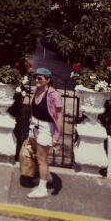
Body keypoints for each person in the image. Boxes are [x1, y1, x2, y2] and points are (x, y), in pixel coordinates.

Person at [27, 67, 64, 199]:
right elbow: (33, 109)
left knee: (42, 159)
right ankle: (46, 177)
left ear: (47, 80)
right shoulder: (36, 90)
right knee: (36, 154)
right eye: (35, 77)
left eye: (40, 78)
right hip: (35, 125)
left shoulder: (54, 96)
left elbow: (59, 117)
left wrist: (56, 137)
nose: (36, 80)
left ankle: (42, 189)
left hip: (46, 128)